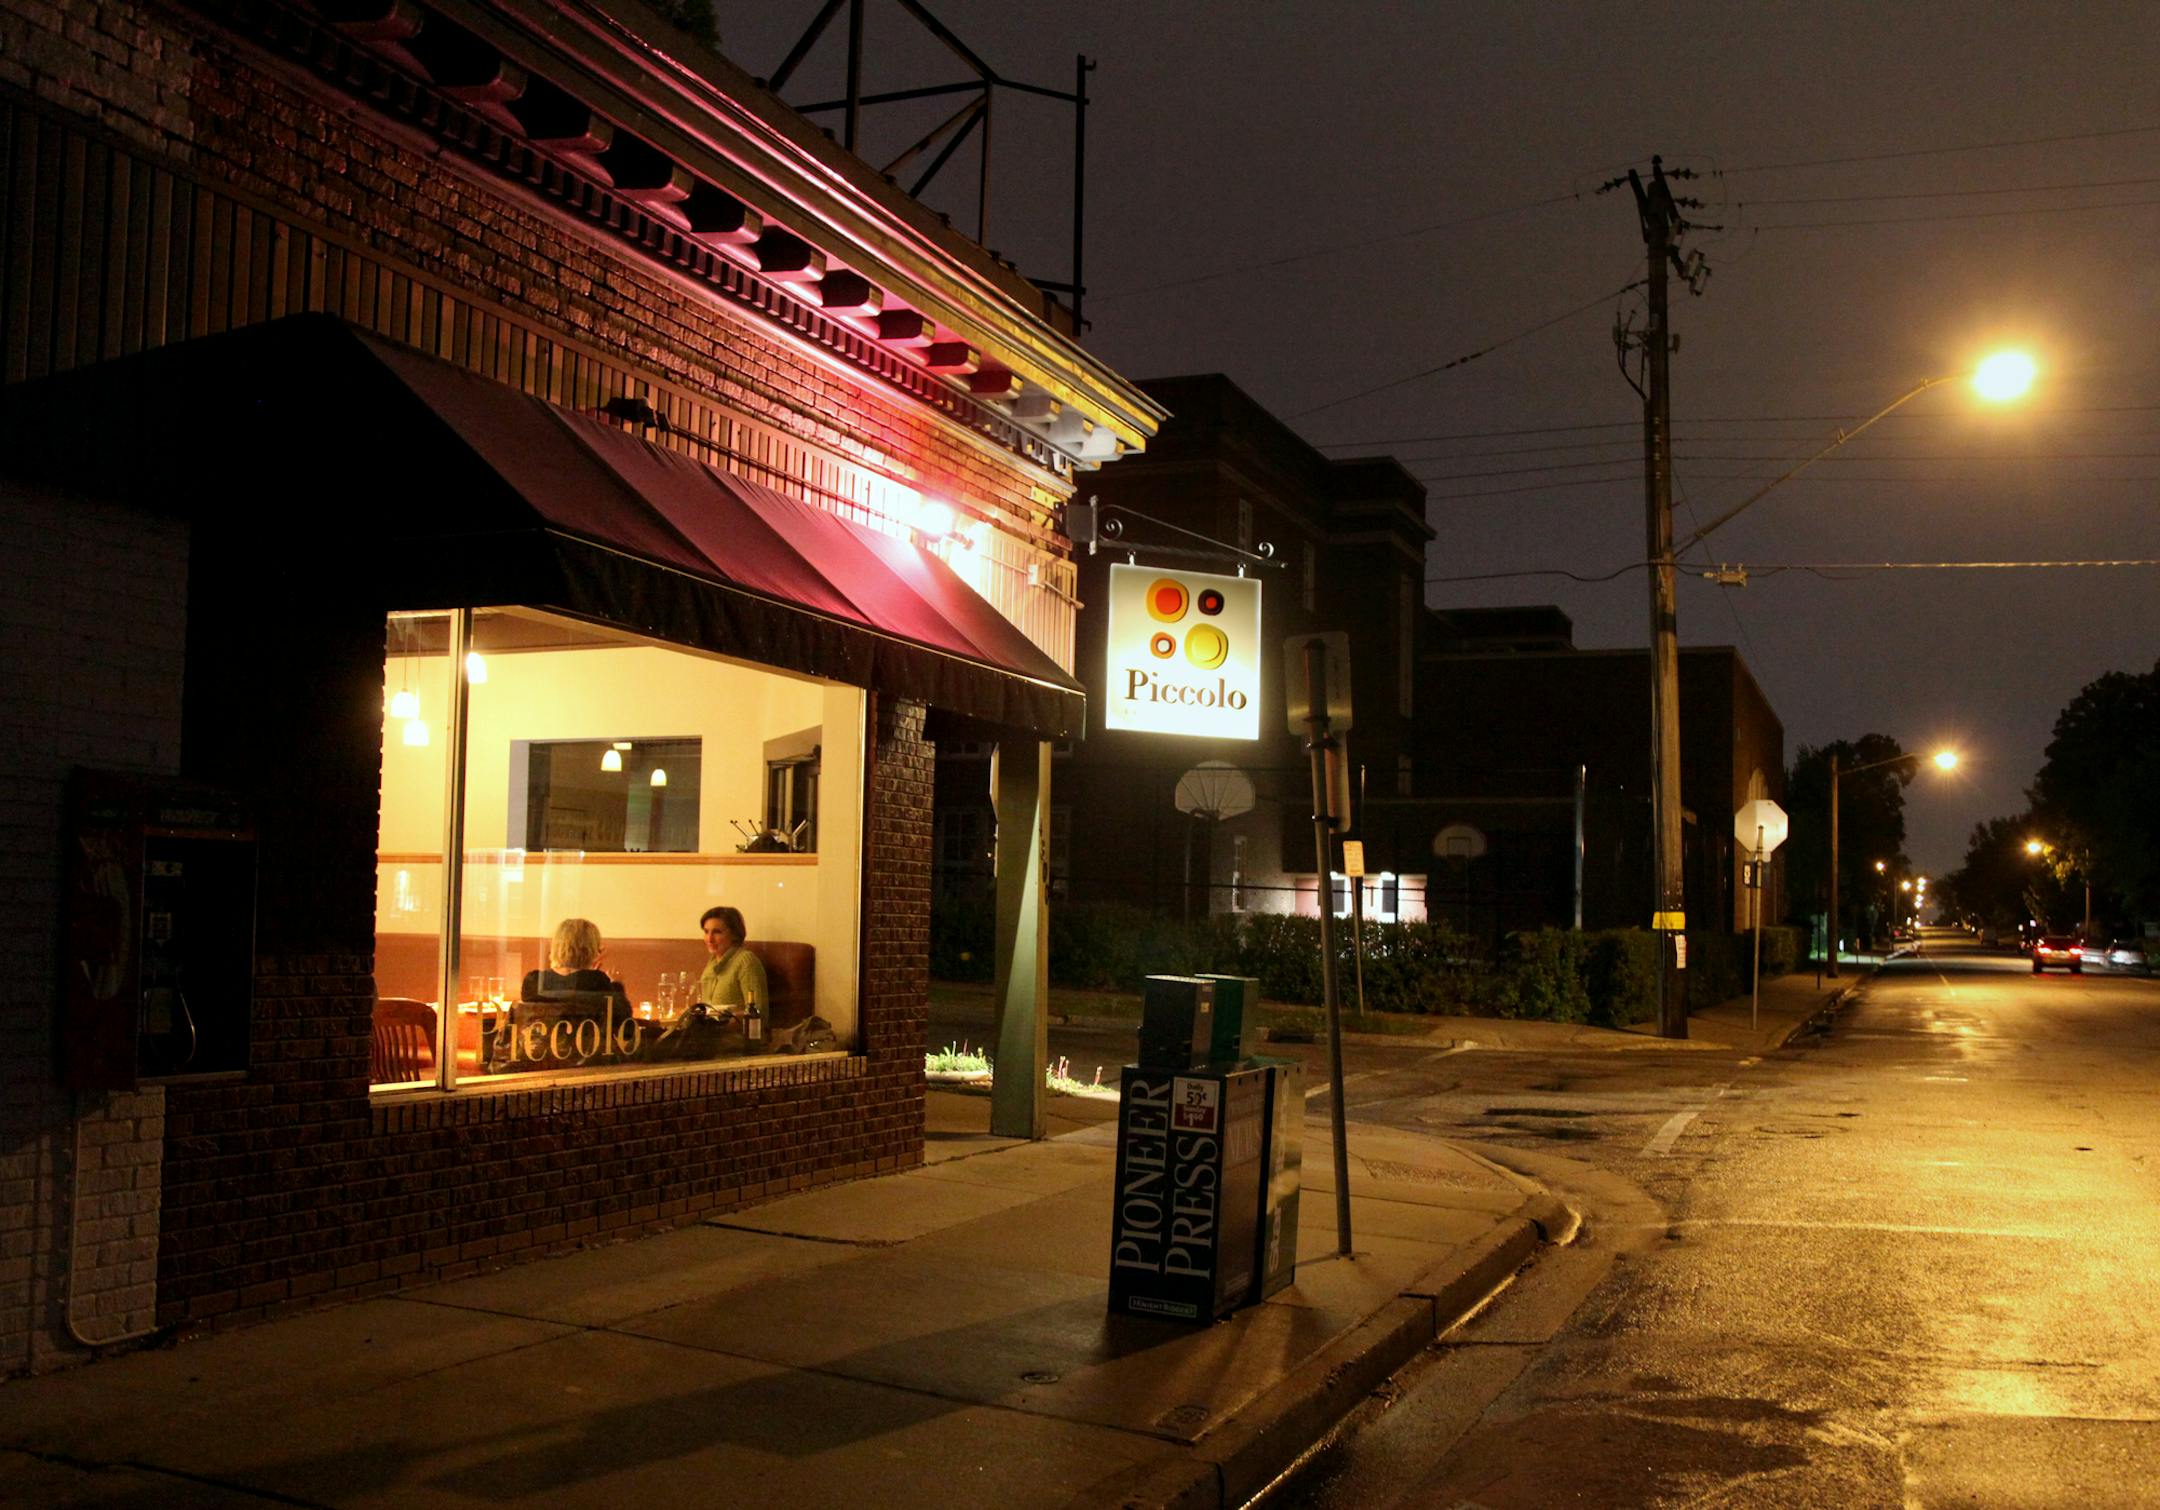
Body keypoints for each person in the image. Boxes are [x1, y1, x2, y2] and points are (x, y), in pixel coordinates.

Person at [520, 918, 632, 1012]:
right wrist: (617, 985)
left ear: (555, 947)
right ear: (590, 950)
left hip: (543, 1038)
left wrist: (588, 974)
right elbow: (623, 1020)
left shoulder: (533, 982)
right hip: (583, 1038)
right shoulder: (597, 982)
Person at [694, 904, 769, 1016]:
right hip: (710, 1031)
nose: (709, 939)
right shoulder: (712, 962)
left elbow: (758, 1014)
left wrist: (724, 1020)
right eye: (706, 932)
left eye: (717, 932)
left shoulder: (746, 961)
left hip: (734, 1033)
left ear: (734, 934)